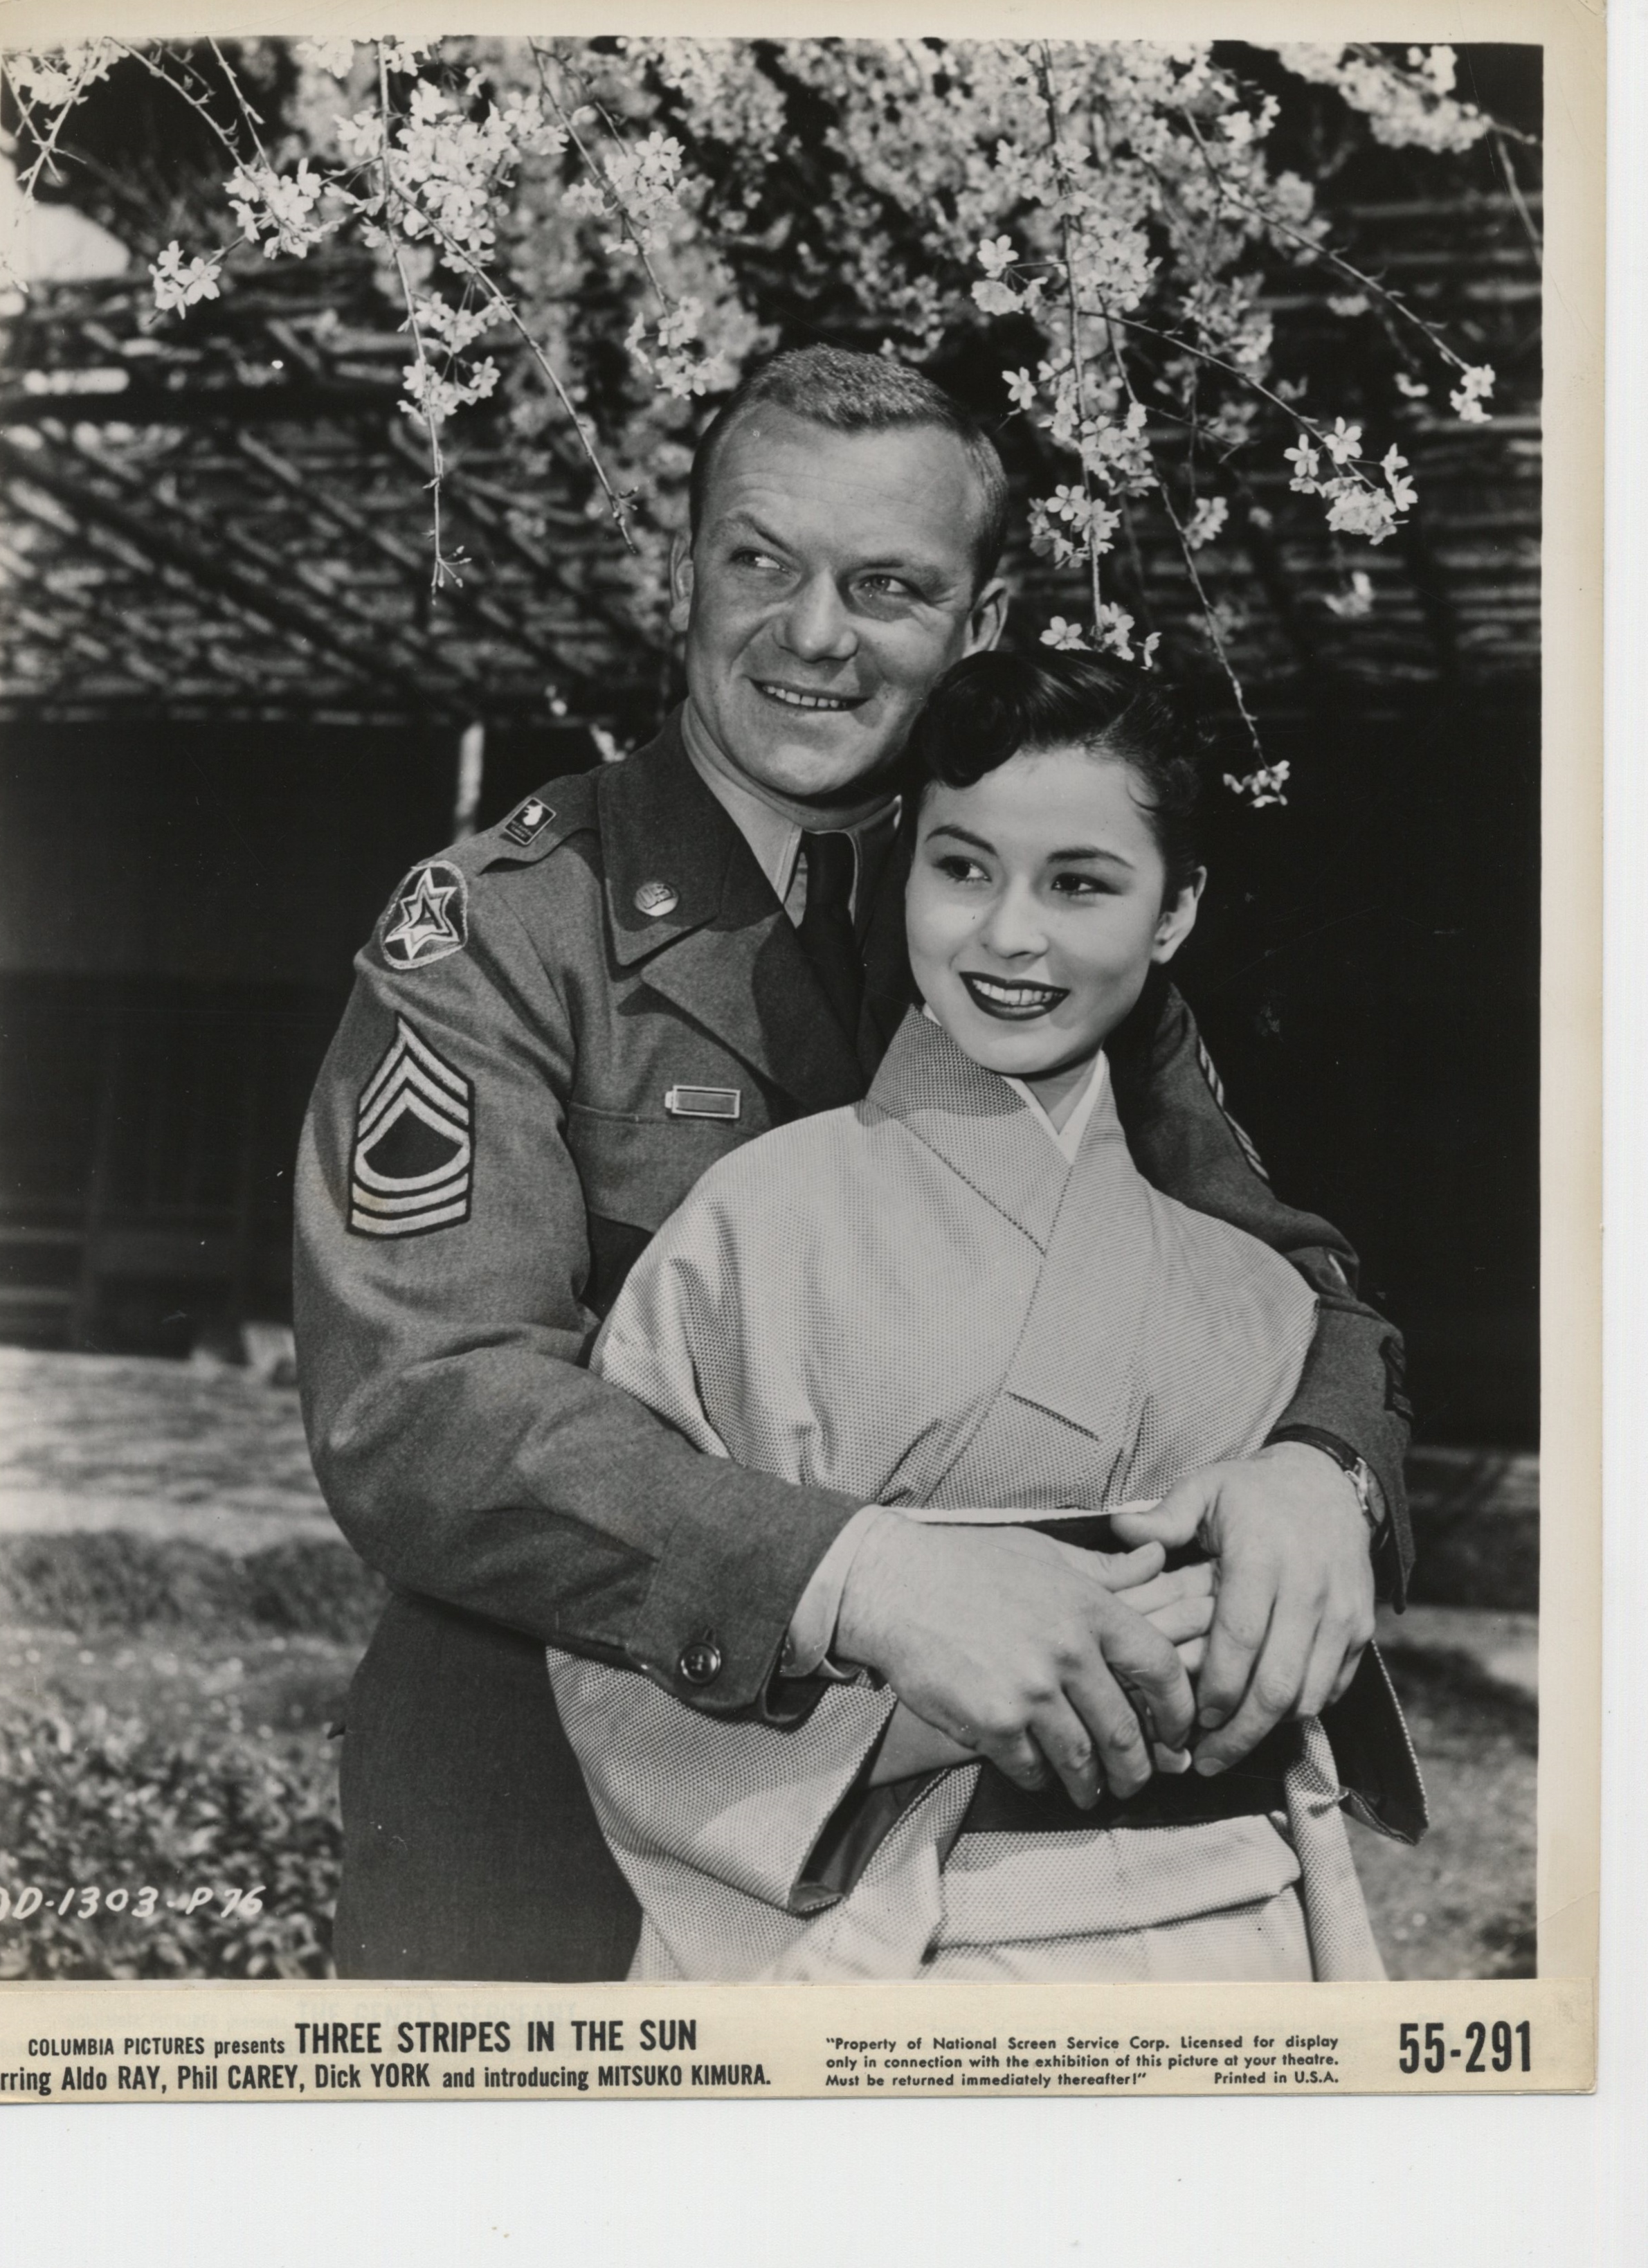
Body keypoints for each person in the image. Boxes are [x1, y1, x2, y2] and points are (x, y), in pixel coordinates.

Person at [293, 345, 1415, 1982]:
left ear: (981, 613)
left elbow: (1288, 1281)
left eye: (885, 585)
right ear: (682, 570)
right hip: (559, 1816)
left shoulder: (1025, 916)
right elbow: (419, 1401)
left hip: (995, 1859)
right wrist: (861, 1575)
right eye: (759, 561)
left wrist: (1324, 1473)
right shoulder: (506, 929)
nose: (810, 633)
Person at [550, 648, 1420, 1982]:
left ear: (1175, 911)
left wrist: (1254, 1632)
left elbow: (1302, 1646)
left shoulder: (1248, 1284)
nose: (1009, 935)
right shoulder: (756, 1221)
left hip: (1230, 1926)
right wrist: (952, 1688)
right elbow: (616, 1624)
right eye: (961, 868)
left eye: (1079, 883)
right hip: (892, 1937)